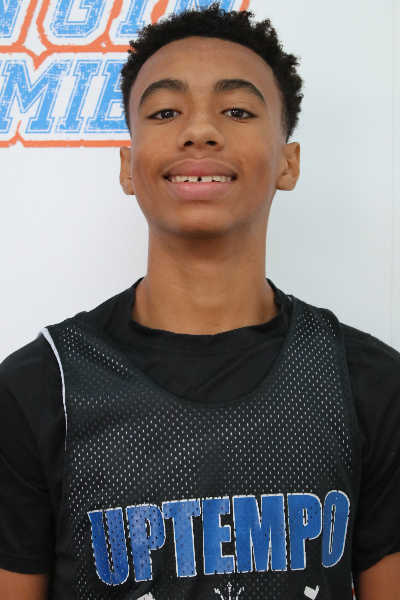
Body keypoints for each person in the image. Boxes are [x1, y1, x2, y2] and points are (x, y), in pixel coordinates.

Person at [0, 5, 399, 599]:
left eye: (237, 110)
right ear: (128, 167)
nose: (200, 131)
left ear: (288, 163)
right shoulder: (40, 387)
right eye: (165, 112)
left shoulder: (366, 381)